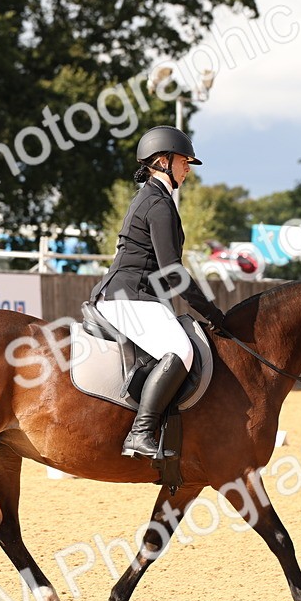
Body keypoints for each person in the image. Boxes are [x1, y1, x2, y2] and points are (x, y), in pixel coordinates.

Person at [90, 126, 228, 459]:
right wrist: (213, 314)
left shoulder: (155, 199)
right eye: (184, 161)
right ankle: (140, 432)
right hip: (129, 296)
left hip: (136, 295)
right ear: (163, 160)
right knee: (181, 350)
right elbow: (172, 271)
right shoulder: (158, 204)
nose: (188, 169)